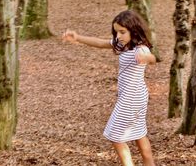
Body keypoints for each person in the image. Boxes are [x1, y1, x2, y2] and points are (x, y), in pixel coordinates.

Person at [62, 10, 156, 166]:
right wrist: (77, 37)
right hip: (136, 97)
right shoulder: (123, 45)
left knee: (114, 135)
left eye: (122, 32)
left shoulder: (140, 49)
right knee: (139, 133)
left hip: (131, 99)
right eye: (116, 32)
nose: (118, 36)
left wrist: (146, 58)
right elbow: (101, 43)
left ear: (134, 30)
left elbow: (151, 58)